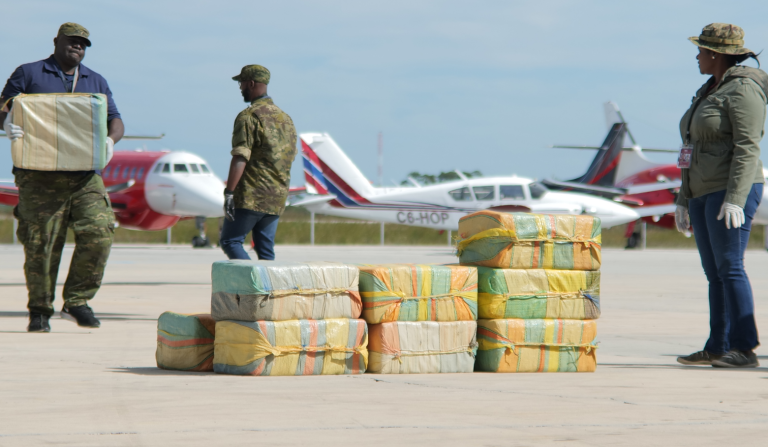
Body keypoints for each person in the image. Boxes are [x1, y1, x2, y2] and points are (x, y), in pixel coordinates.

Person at [0, 23, 124, 332]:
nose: (77, 48)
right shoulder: (29, 74)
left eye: (83, 44)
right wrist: (6, 123)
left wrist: (111, 140)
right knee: (41, 244)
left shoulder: (95, 81)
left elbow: (115, 119)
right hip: (39, 176)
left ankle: (77, 302)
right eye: (72, 42)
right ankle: (40, 311)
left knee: (99, 234)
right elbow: (2, 106)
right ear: (57, 42)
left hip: (84, 177)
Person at [675, 23, 767, 368]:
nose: (697, 56)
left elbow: (748, 146)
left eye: (701, 50)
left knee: (730, 268)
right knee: (714, 272)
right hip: (701, 190)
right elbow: (690, 147)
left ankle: (744, 348)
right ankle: (718, 345)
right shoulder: (709, 89)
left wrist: (735, 197)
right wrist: (683, 198)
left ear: (716, 54)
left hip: (729, 189)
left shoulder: (743, 89)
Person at [219, 65, 297, 260]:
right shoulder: (286, 119)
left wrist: (229, 192)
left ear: (251, 83)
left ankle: (254, 286)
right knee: (265, 250)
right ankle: (268, 289)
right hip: (277, 197)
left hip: (251, 196)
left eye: (241, 83)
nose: (240, 88)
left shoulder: (249, 117)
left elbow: (240, 156)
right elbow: (289, 156)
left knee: (231, 241)